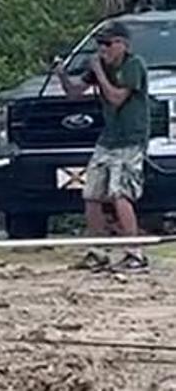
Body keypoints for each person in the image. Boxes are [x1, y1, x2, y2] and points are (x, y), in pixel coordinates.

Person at [54, 20, 150, 272]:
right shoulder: (100, 66)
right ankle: (98, 250)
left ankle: (134, 252)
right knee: (92, 193)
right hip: (107, 139)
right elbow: (75, 93)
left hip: (131, 138)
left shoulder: (133, 65)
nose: (102, 50)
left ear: (122, 44)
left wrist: (99, 74)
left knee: (120, 193)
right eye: (99, 45)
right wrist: (63, 74)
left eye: (107, 44)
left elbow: (117, 98)